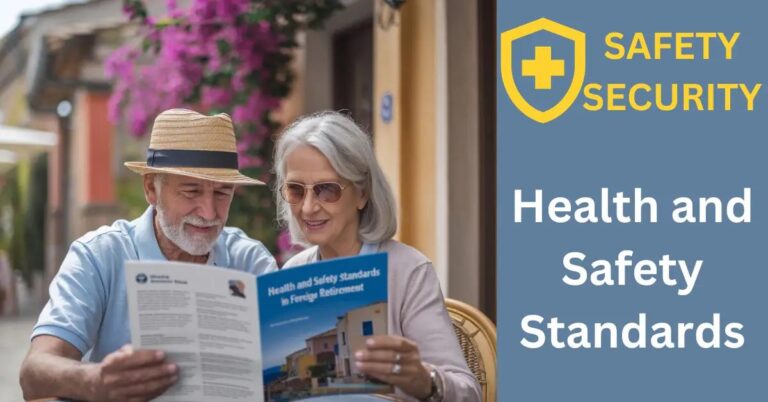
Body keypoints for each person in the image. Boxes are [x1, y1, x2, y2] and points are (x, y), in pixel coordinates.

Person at [19, 109, 277, 401]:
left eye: (222, 193)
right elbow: (33, 372)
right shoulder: (99, 255)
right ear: (151, 190)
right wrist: (96, 381)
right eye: (191, 191)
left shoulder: (251, 261)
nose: (209, 212)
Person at [274, 112, 482, 402]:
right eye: (296, 190)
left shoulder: (406, 270)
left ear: (362, 194)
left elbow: (469, 393)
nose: (308, 208)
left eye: (327, 190)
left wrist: (424, 380)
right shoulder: (293, 272)